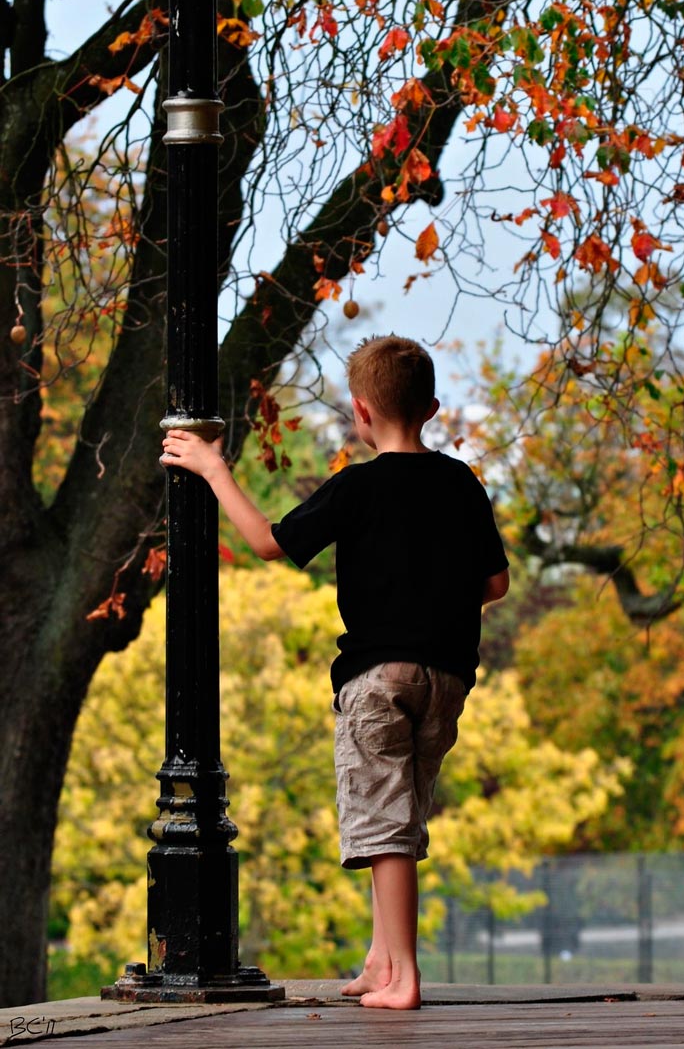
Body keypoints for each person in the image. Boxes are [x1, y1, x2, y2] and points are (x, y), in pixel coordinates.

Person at [161, 334, 509, 1010]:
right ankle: (382, 961)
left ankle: (403, 977)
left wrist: (212, 468)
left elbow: (268, 542)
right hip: (445, 679)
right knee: (402, 818)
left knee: (383, 825)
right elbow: (493, 583)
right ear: (432, 407)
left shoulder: (358, 485)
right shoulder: (461, 482)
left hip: (378, 677)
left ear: (360, 413)